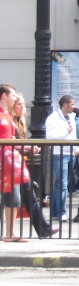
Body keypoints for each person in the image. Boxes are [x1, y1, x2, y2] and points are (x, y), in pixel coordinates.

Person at [10, 94, 55, 238]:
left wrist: (28, 148)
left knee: (30, 196)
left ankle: (44, 229)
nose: (23, 107)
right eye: (19, 104)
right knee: (12, 199)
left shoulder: (20, 122)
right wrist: (28, 148)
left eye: (23, 104)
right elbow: (8, 145)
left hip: (19, 164)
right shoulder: (10, 121)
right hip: (11, 164)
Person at [1, 83, 28, 242]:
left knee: (14, 197)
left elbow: (10, 140)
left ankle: (10, 233)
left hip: (10, 161)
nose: (14, 99)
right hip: (3, 161)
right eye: (12, 95)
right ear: (4, 96)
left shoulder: (8, 116)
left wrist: (23, 147)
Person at [44, 94, 77, 223]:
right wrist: (66, 131)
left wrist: (76, 149)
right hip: (59, 153)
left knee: (64, 183)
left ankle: (55, 211)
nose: (74, 106)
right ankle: (61, 212)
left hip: (70, 152)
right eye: (72, 104)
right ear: (65, 104)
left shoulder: (71, 117)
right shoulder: (53, 118)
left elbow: (73, 135)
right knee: (62, 183)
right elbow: (51, 136)